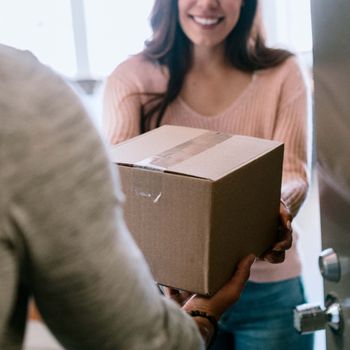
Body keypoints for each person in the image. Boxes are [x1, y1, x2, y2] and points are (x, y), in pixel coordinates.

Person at [0, 43, 255, 350]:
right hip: (164, 286)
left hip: (257, 284)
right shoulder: (28, 101)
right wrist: (203, 314)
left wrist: (265, 210)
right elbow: (143, 342)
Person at [103, 0, 312, 349]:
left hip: (268, 289)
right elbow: (120, 187)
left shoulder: (283, 71)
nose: (208, 3)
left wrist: (277, 209)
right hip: (169, 293)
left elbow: (293, 173)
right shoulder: (131, 78)